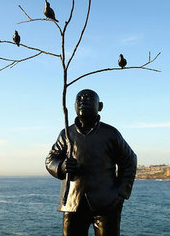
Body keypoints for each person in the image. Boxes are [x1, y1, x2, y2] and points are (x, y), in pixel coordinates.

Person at [45, 89, 137, 236]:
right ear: (74, 106)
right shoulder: (66, 134)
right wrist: (61, 167)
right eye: (79, 99)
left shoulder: (110, 134)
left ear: (100, 106)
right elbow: (50, 160)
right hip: (73, 201)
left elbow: (130, 160)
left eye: (89, 98)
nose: (83, 101)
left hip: (107, 203)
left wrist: (121, 193)